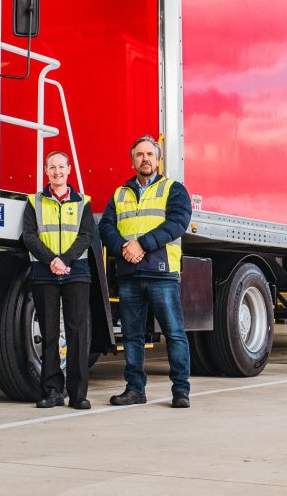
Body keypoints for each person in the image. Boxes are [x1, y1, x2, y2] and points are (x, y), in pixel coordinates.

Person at [98, 135, 192, 409]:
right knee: (132, 336)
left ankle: (180, 391)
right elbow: (106, 227)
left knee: (174, 333)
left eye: (150, 154)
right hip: (129, 272)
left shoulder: (173, 189)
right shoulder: (120, 194)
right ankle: (135, 390)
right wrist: (123, 248)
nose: (145, 159)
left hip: (161, 272)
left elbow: (177, 223)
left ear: (158, 159)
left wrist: (141, 244)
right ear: (132, 161)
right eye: (139, 155)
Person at [21, 151, 96, 410]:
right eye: (52, 167)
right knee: (50, 334)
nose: (57, 172)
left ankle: (78, 394)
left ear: (69, 169)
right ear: (46, 171)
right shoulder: (34, 201)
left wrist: (65, 260)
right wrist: (51, 260)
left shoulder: (83, 201)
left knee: (76, 333)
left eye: (61, 167)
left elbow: (86, 236)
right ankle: (52, 391)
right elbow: (29, 236)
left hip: (76, 272)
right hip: (44, 272)